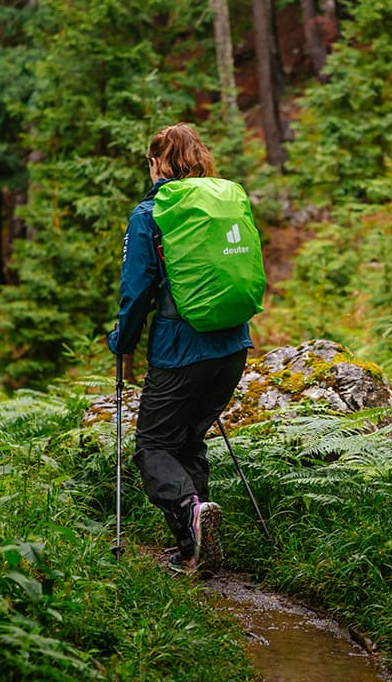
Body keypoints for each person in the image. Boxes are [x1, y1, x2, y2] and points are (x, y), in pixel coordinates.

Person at [108, 122, 253, 575]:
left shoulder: (150, 213)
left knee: (152, 445)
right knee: (188, 441)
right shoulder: (222, 201)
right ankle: (195, 549)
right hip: (232, 346)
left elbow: (136, 293)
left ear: (156, 163)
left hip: (179, 350)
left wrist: (122, 342)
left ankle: (191, 513)